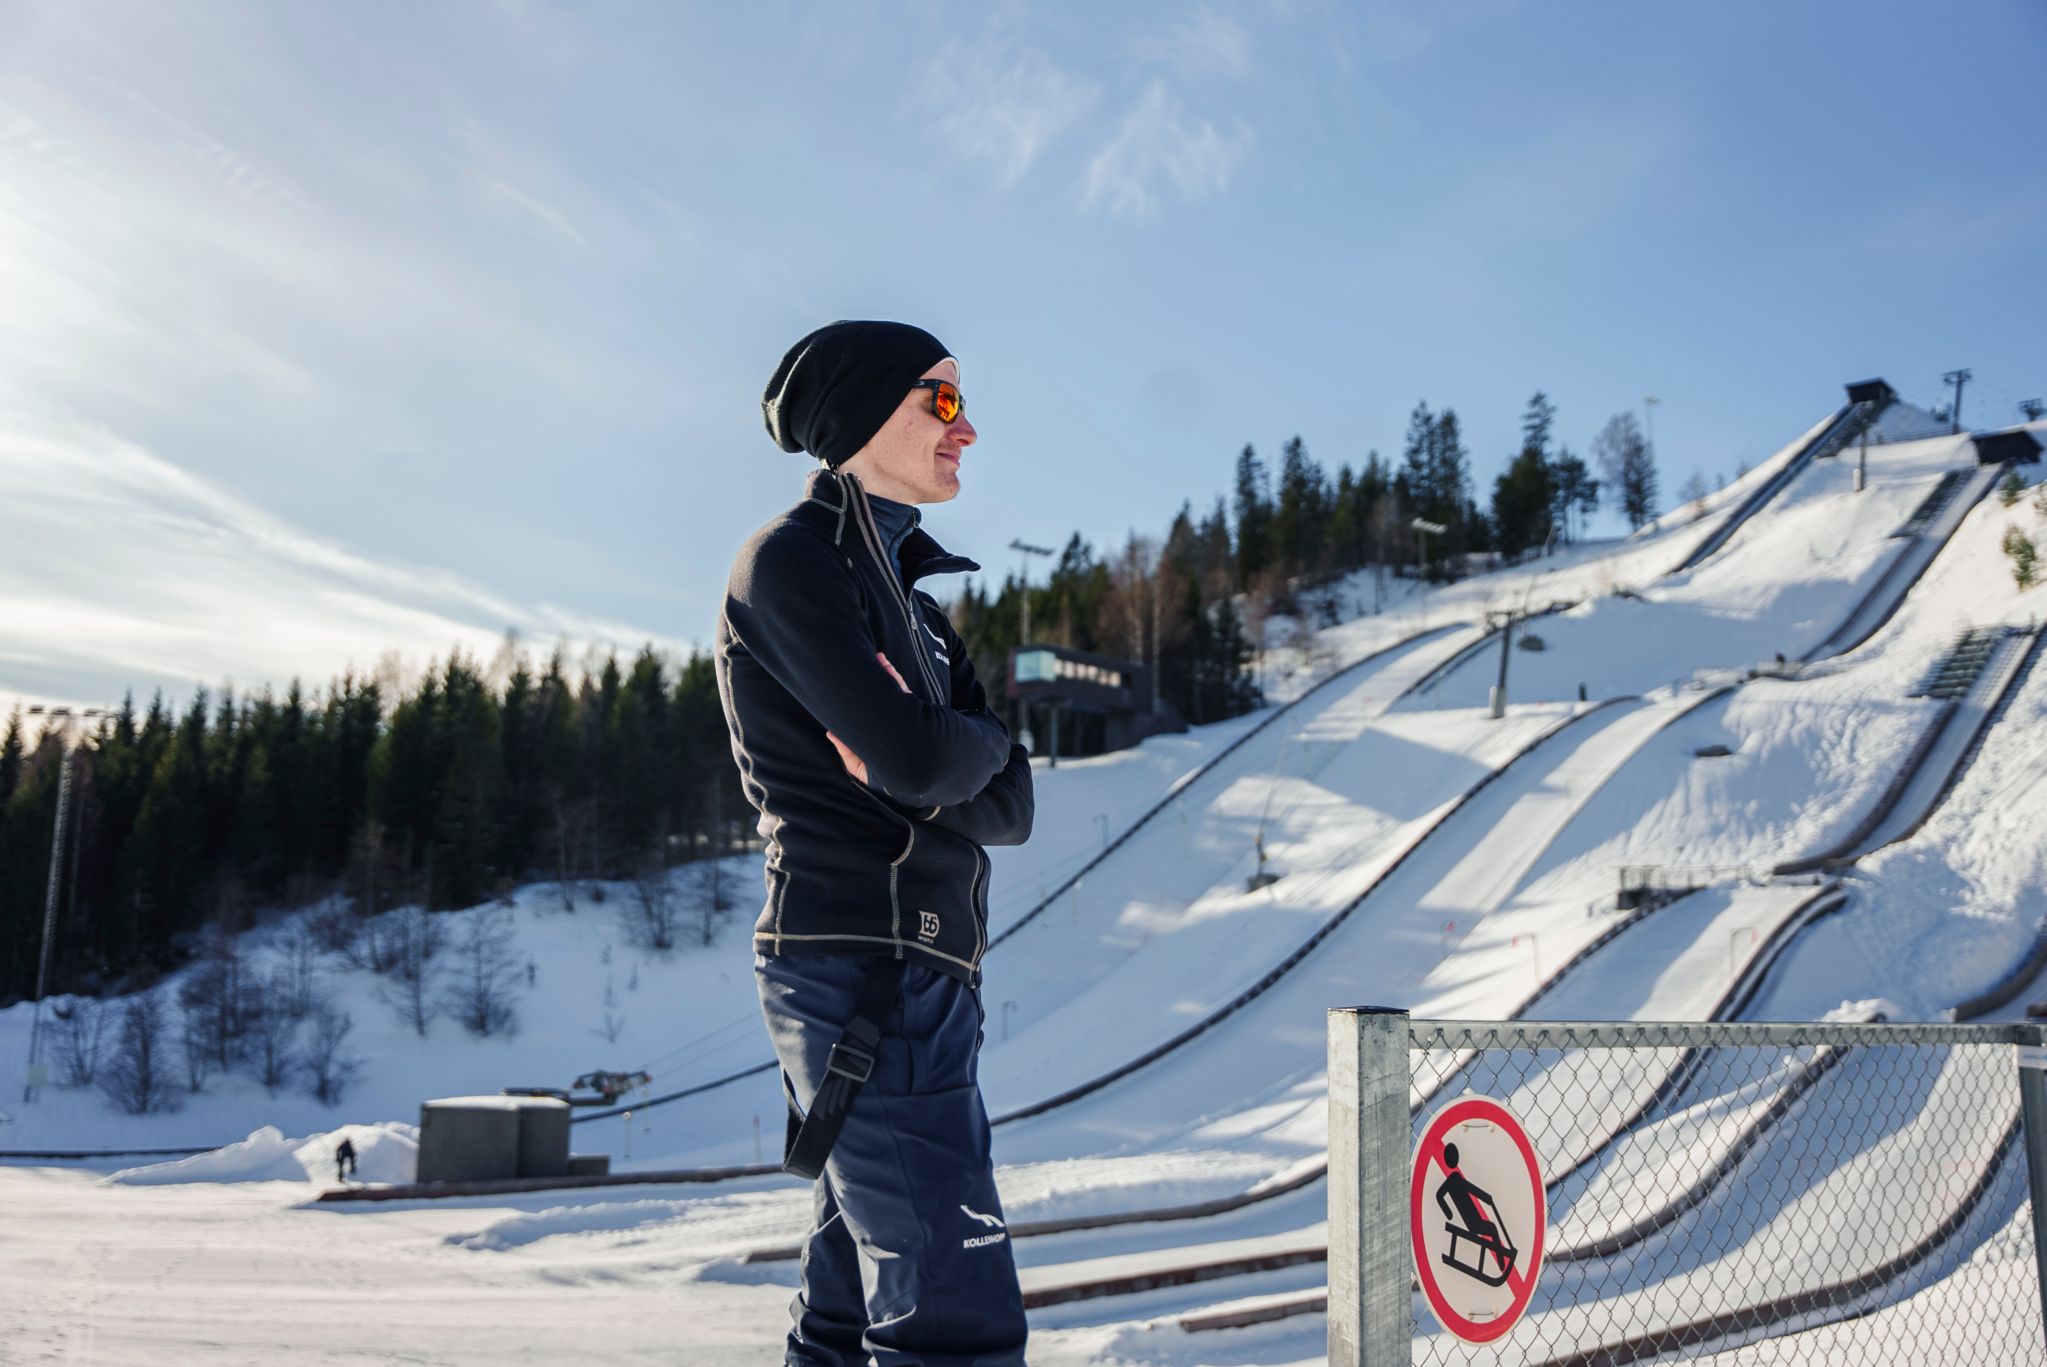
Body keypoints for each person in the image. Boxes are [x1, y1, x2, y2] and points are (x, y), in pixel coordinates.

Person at [716, 320, 1034, 1366]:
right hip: (860, 964)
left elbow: (1007, 803)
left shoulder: (925, 616)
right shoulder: (792, 565)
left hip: (927, 967)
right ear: (861, 414)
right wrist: (942, 754)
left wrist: (957, 746)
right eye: (940, 400)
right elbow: (915, 757)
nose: (968, 427)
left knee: (851, 1313)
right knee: (952, 1316)